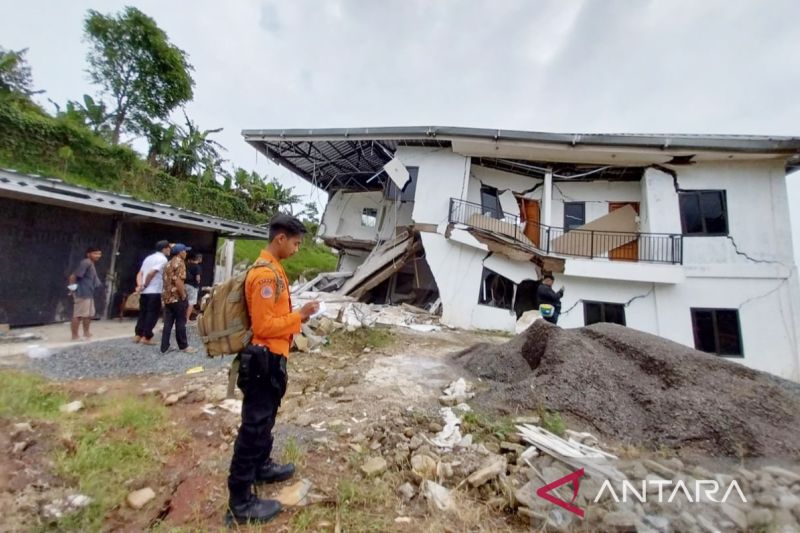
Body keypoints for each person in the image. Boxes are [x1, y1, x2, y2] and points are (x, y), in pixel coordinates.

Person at [227, 214, 320, 525]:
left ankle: (261, 467)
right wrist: (300, 316)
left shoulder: (274, 269)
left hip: (273, 360)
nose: (296, 249)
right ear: (280, 238)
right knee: (253, 427)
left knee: (265, 419)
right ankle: (240, 501)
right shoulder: (265, 276)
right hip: (263, 361)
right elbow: (264, 325)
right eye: (295, 243)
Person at [160, 243, 197, 354]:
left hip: (167, 297)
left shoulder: (168, 263)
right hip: (177, 297)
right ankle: (184, 346)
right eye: (185, 251)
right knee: (181, 321)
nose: (186, 253)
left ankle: (164, 347)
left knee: (168, 323)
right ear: (180, 252)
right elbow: (178, 281)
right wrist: (183, 295)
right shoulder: (180, 263)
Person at [134, 240, 171, 345]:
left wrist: (140, 286)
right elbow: (151, 273)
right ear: (164, 249)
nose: (170, 250)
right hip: (155, 290)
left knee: (143, 313)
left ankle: (138, 334)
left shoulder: (148, 258)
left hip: (144, 292)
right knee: (152, 314)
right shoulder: (163, 259)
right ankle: (147, 336)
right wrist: (145, 284)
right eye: (169, 248)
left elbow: (140, 273)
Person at [68, 247, 103, 340]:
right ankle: (74, 335)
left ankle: (86, 333)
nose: (98, 256)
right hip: (82, 292)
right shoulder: (86, 262)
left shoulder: (90, 263)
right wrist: (72, 289)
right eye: (95, 253)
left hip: (89, 293)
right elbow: (73, 276)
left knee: (88, 315)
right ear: (88, 254)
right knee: (78, 315)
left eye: (99, 254)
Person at [185, 253, 203, 322]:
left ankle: (180, 317)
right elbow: (198, 277)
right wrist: (198, 282)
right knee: (191, 302)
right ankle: (186, 318)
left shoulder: (187, 265)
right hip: (192, 286)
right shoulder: (197, 267)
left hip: (184, 285)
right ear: (198, 259)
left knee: (184, 302)